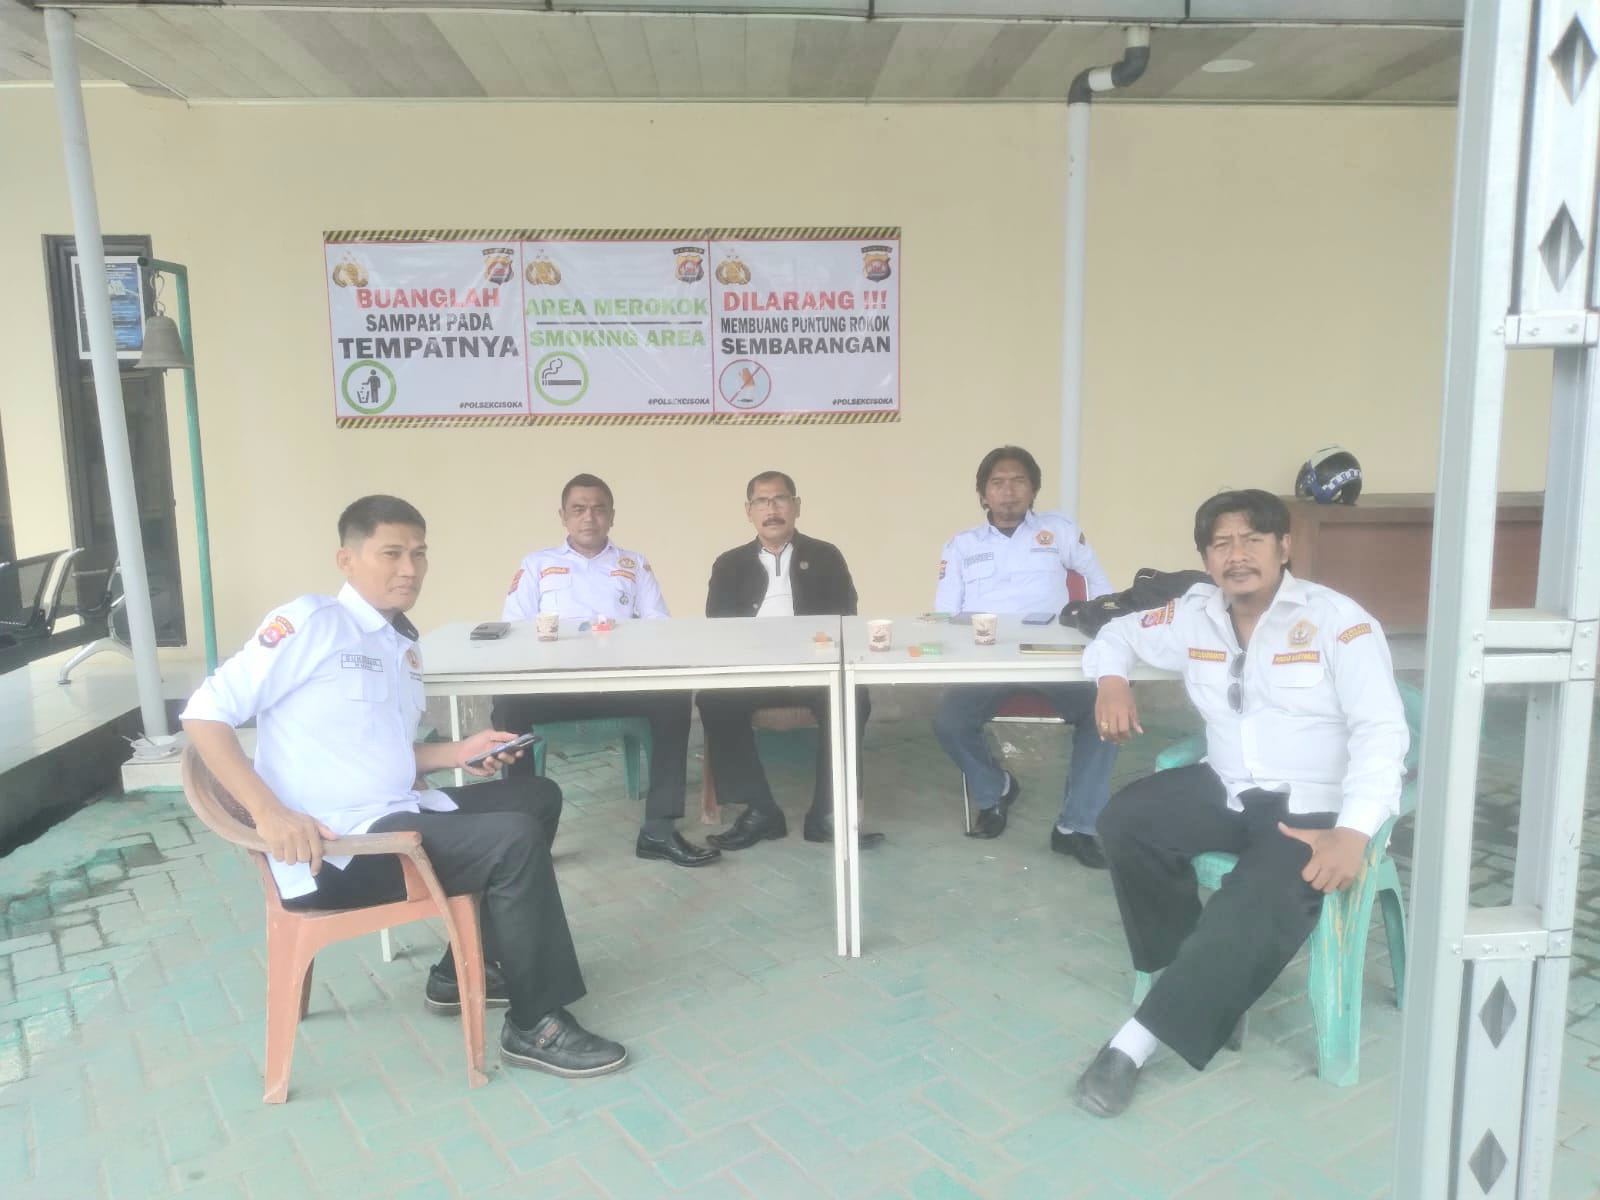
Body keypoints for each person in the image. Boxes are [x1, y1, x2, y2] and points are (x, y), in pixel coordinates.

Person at [181, 495, 627, 1078]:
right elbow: (204, 713)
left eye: (419, 554)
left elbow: (385, 752)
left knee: (536, 797)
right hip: (337, 850)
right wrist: (268, 814)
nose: (409, 569)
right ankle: (534, 1023)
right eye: (391, 553)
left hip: (398, 813)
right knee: (513, 841)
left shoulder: (401, 645)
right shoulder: (312, 623)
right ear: (346, 559)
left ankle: (461, 972)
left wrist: (459, 752)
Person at [1073, 489, 1408, 1117]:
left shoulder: (1339, 621)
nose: (1237, 554)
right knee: (1127, 821)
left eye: (1253, 539)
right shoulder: (1194, 614)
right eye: (1221, 543)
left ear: (1284, 547)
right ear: (1205, 557)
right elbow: (1116, 631)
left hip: (1313, 807)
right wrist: (1110, 680)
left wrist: (1356, 831)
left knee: (1257, 900)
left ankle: (1135, 1043)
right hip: (1226, 786)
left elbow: (1382, 732)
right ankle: (1198, 983)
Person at [495, 474, 718, 869]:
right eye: (578, 509)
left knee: (673, 697)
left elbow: (659, 623)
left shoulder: (633, 563)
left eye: (599, 509)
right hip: (557, 688)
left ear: (612, 516)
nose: (589, 517)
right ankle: (526, 834)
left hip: (618, 683)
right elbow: (512, 626)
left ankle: (659, 828)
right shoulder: (537, 564)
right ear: (563, 516)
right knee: (508, 705)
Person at [931, 445, 1118, 866]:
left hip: (1053, 658)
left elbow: (1101, 588)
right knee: (949, 721)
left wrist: (1100, 632)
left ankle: (1076, 826)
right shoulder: (961, 546)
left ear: (1034, 490)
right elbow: (944, 614)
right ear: (983, 494)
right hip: (987, 661)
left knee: (1104, 714)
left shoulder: (1059, 531)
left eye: (1018, 481)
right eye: (997, 483)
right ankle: (994, 789)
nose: (1008, 491)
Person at [698, 470, 881, 851]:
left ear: (796, 506)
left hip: (814, 670)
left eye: (780, 499)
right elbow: (719, 627)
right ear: (749, 511)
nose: (772, 509)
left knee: (852, 696)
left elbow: (845, 617)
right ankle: (760, 810)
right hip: (754, 672)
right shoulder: (729, 564)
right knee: (713, 699)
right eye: (762, 502)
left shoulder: (826, 556)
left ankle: (826, 814)